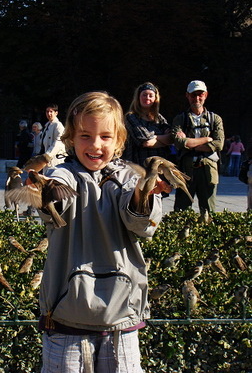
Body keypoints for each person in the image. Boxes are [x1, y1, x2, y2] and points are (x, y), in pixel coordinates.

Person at [38, 91, 170, 372]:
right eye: (85, 135)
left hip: (121, 320)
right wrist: (43, 191)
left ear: (120, 140)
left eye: (105, 136)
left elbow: (140, 224)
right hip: (66, 319)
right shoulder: (62, 175)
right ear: (70, 138)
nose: (95, 145)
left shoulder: (129, 178)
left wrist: (143, 194)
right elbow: (56, 197)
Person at [172, 80, 225, 213]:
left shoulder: (215, 119)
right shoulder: (180, 119)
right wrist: (207, 139)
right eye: (193, 94)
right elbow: (179, 143)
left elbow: (219, 144)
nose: (197, 98)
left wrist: (189, 143)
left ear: (206, 95)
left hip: (208, 171)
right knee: (181, 211)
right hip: (185, 171)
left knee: (208, 212)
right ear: (187, 96)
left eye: (200, 94)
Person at [124, 82, 173, 167]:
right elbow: (146, 142)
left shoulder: (159, 118)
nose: (147, 98)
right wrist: (164, 140)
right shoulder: (131, 117)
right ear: (138, 97)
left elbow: (171, 138)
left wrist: (155, 137)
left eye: (151, 95)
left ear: (155, 98)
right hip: (140, 167)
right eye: (144, 95)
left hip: (161, 166)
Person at [40, 103, 66, 173]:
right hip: (46, 160)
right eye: (47, 111)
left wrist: (48, 155)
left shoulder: (58, 125)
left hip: (54, 160)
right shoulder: (47, 125)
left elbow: (59, 141)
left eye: (51, 111)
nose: (49, 114)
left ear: (56, 113)